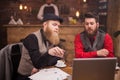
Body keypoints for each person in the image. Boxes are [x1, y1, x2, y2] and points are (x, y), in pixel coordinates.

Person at [16, 14, 64, 80]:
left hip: (41, 74)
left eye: (58, 26)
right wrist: (49, 54)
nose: (57, 28)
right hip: (26, 76)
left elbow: (55, 60)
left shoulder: (50, 37)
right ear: (45, 25)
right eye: (54, 24)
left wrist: (57, 56)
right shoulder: (32, 38)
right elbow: (37, 64)